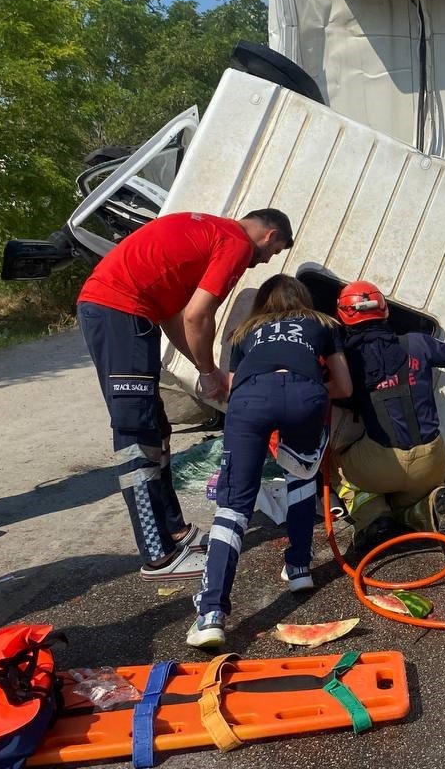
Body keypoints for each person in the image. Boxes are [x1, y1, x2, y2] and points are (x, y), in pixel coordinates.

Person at [77, 208, 293, 578]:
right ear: (270, 235)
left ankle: (174, 530)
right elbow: (198, 316)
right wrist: (212, 373)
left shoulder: (209, 230)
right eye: (272, 254)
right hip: (119, 311)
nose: (262, 263)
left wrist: (201, 369)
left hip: (127, 311)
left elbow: (174, 317)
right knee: (137, 431)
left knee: (157, 427)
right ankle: (158, 555)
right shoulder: (237, 244)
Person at [187, 274, 353, 649]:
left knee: (233, 506)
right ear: (304, 299)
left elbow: (230, 386)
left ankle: (211, 615)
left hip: (249, 400)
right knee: (299, 478)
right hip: (304, 396)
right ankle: (298, 568)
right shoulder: (323, 323)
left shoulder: (245, 331)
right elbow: (344, 388)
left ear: (263, 303)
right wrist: (306, 384)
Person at [330, 281, 445, 557]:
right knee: (405, 504)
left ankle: (372, 518)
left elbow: (340, 396)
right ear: (385, 312)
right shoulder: (418, 343)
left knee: (335, 465)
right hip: (432, 460)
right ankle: (433, 506)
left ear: (343, 317)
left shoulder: (345, 360)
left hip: (381, 463)